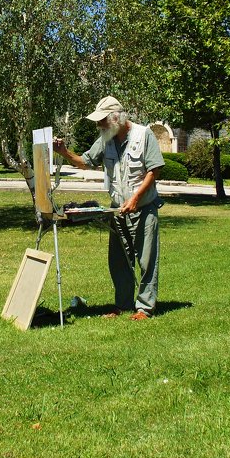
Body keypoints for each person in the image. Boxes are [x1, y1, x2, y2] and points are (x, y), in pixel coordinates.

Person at [54, 97, 165, 320]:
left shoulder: (144, 135)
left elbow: (155, 170)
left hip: (143, 209)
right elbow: (86, 161)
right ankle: (123, 304)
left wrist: (135, 199)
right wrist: (64, 152)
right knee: (119, 261)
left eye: (102, 120)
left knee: (146, 260)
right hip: (117, 211)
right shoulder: (106, 138)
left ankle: (145, 308)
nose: (99, 125)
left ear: (116, 117)